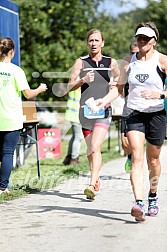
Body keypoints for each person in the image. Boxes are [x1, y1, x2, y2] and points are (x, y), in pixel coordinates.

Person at [96, 22, 167, 221]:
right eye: (139, 37)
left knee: (153, 160)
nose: (141, 41)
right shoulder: (128, 62)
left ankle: (152, 196)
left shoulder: (162, 61)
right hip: (134, 113)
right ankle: (138, 203)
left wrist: (160, 94)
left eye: (145, 38)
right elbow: (118, 88)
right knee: (136, 156)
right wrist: (103, 100)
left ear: (154, 40)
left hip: (156, 115)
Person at [68, 29, 120, 200]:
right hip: (86, 111)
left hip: (103, 110)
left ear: (102, 43)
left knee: (96, 146)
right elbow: (69, 87)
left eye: (97, 40)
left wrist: (114, 85)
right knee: (91, 150)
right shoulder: (81, 62)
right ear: (87, 43)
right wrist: (82, 80)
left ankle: (91, 185)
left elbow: (118, 84)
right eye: (91, 41)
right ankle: (96, 177)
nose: (94, 43)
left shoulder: (111, 63)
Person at [0, 37, 47, 194]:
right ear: (12, 51)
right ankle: (2, 187)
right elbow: (28, 94)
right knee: (7, 152)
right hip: (11, 119)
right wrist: (40, 88)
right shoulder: (16, 71)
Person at [121, 41, 139, 173]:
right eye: (133, 53)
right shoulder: (127, 67)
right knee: (124, 141)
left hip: (146, 107)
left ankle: (137, 160)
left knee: (138, 141)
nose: (136, 55)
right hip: (128, 106)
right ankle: (129, 156)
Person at [63, 89, 83, 165]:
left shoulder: (72, 85)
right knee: (79, 137)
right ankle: (74, 159)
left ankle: (68, 157)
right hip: (76, 114)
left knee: (75, 136)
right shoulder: (78, 84)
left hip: (73, 113)